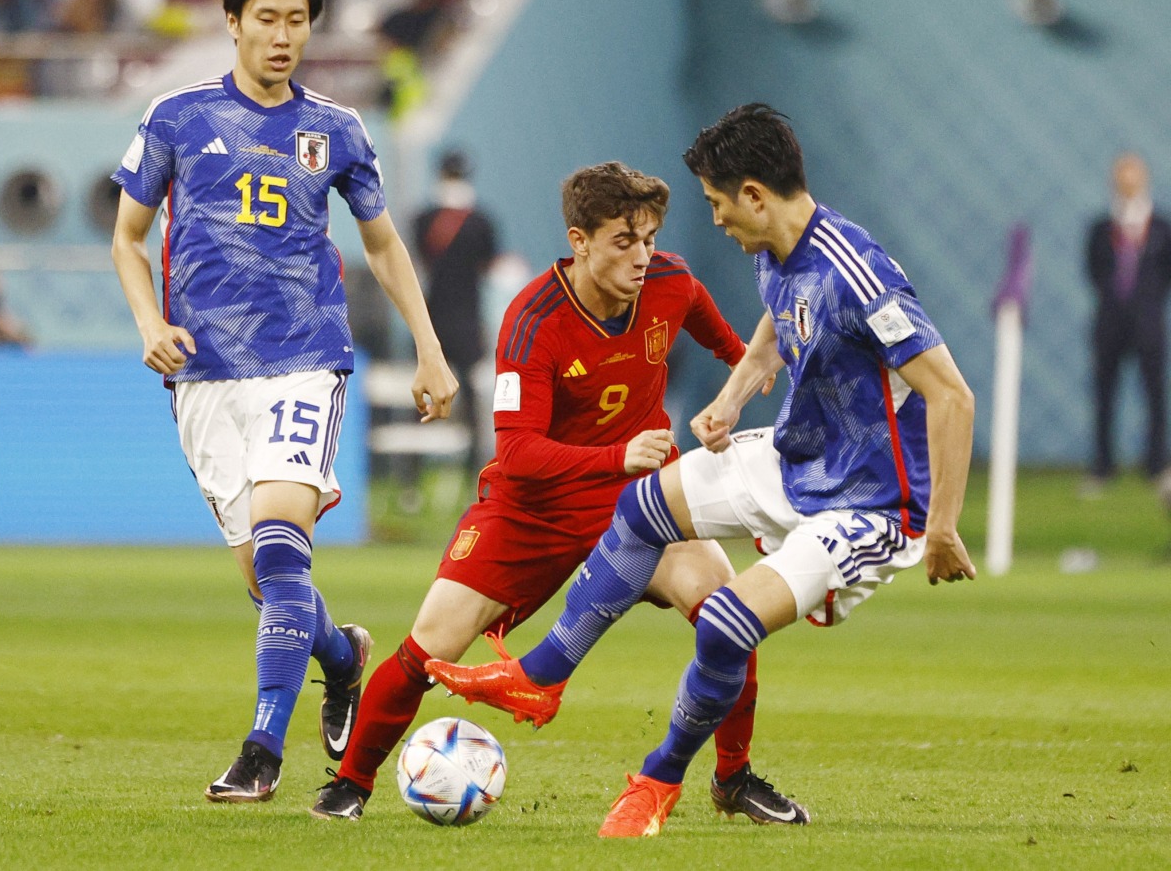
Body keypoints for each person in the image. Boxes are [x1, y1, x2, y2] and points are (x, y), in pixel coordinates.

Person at [427, 103, 977, 837]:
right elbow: (773, 333)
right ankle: (543, 674)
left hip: (872, 502)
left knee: (724, 623)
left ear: (754, 194)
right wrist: (727, 401)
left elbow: (953, 395)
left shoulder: (858, 274)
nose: (714, 220)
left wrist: (940, 526)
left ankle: (656, 781)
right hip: (799, 459)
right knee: (646, 502)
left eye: (718, 204)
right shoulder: (775, 249)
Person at [311, 161, 790, 827]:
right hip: (530, 509)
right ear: (580, 239)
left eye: (649, 238)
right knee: (428, 648)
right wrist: (617, 453)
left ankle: (733, 778)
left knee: (734, 620)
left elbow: (714, 330)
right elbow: (518, 453)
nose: (642, 256)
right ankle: (349, 784)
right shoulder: (533, 320)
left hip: (641, 504)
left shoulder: (671, 282)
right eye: (624, 242)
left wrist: (743, 367)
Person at [110, 0, 457, 804]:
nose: (282, 35)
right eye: (266, 18)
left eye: (297, 20)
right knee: (269, 583)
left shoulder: (337, 129)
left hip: (304, 359)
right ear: (232, 21)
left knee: (278, 546)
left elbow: (380, 244)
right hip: (202, 376)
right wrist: (151, 327)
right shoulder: (176, 117)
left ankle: (262, 750)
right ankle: (343, 660)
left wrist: (429, 347)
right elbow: (127, 237)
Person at [1084, 152, 1171, 490]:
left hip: (1149, 323)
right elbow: (1093, 270)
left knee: (1154, 394)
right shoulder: (1101, 228)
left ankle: (1156, 465)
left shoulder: (1161, 227)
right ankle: (1103, 466)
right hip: (1109, 323)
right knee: (1104, 394)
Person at [412, 147, 498, 483]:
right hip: (468, 319)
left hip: (431, 320)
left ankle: (412, 480)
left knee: (418, 394)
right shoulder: (482, 222)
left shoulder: (423, 219)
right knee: (472, 397)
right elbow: (488, 265)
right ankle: (474, 472)